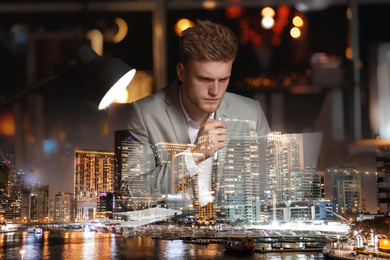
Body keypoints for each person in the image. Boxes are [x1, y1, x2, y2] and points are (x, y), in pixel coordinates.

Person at [126, 19, 270, 207]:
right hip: (172, 232)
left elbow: (272, 186)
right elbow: (131, 193)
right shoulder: (145, 114)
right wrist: (194, 155)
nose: (215, 91)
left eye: (224, 79)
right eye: (205, 79)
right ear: (181, 73)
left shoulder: (252, 112)